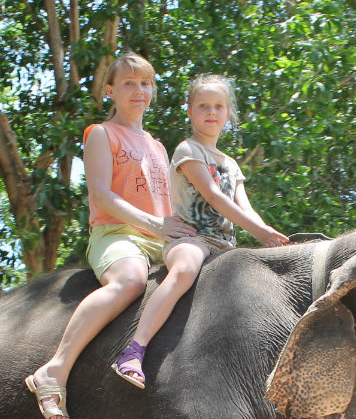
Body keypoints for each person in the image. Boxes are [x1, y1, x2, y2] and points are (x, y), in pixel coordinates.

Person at [24, 52, 195, 419]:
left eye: (145, 83)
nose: (139, 91)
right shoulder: (101, 134)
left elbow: (168, 206)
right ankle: (55, 370)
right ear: (110, 90)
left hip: (157, 237)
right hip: (116, 233)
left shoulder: (158, 146)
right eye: (129, 84)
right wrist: (154, 223)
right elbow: (101, 195)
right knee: (131, 281)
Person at [110, 74, 289, 388]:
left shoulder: (231, 164)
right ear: (190, 111)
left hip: (225, 245)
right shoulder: (187, 150)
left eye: (219, 106)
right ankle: (134, 349)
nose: (212, 112)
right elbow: (212, 196)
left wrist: (270, 235)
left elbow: (245, 208)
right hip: (192, 238)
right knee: (184, 270)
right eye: (203, 105)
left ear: (228, 114)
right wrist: (260, 233)